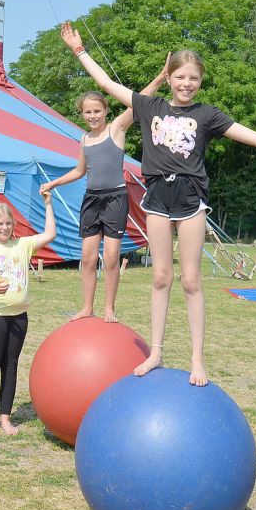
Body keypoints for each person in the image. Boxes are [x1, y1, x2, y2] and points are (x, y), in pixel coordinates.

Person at [60, 23, 256, 385]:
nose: (187, 83)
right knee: (160, 276)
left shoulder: (207, 115)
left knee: (192, 280)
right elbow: (106, 84)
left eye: (194, 78)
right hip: (157, 196)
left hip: (190, 198)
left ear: (200, 81)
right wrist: (79, 49)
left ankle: (198, 359)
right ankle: (156, 351)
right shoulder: (148, 105)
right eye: (180, 76)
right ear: (168, 78)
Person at [39, 61, 167, 323]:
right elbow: (79, 171)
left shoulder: (116, 129)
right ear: (82, 115)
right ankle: (87, 307)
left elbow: (139, 101)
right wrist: (54, 183)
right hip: (91, 200)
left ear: (106, 111)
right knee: (87, 258)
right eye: (88, 112)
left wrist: (160, 78)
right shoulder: (84, 140)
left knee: (110, 258)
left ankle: (109, 308)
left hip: (115, 199)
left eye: (97, 110)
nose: (93, 116)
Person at [0, 193, 57, 437]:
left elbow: (50, 234)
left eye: (8, 223)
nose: (4, 228)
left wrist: (48, 204)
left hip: (19, 317)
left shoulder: (23, 245)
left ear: (13, 225)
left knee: (11, 367)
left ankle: (5, 418)